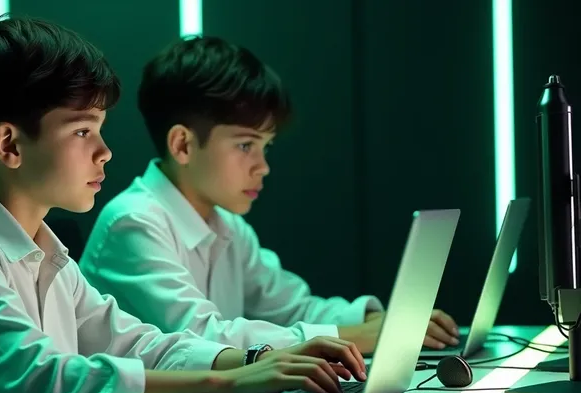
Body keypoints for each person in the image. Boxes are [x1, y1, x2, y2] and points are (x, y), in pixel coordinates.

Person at [0, 17, 368, 393]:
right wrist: (230, 382)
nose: (105, 152)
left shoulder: (49, 255)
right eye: (82, 131)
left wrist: (255, 360)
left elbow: (138, 343)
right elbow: (45, 383)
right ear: (9, 145)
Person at [79, 35, 460, 354]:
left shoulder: (227, 224)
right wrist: (355, 338)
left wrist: (378, 322)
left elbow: (294, 307)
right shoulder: (133, 222)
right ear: (182, 145)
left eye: (266, 146)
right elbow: (205, 339)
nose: (263, 166)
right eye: (246, 146)